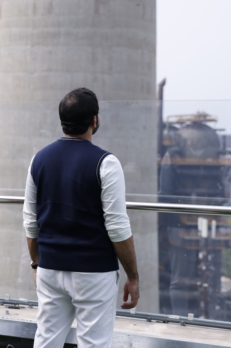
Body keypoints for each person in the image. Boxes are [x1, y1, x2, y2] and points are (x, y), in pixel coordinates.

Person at [23, 87, 140, 348]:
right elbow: (118, 229)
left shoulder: (38, 160)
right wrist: (133, 276)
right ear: (94, 120)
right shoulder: (106, 163)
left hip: (50, 268)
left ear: (62, 120)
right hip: (94, 273)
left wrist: (36, 264)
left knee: (46, 341)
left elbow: (31, 223)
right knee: (93, 344)